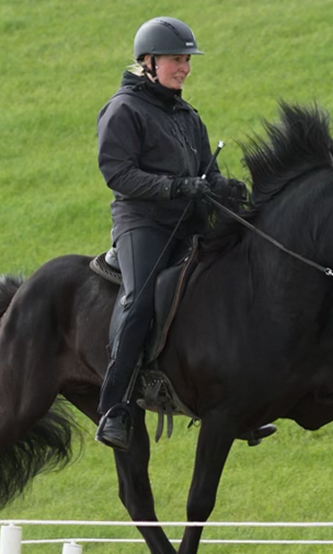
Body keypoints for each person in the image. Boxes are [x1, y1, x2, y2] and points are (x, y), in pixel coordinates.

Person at [95, 17, 266, 451]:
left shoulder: (187, 115)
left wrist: (223, 187)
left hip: (188, 220)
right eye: (177, 59)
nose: (185, 68)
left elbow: (206, 170)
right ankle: (114, 407)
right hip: (143, 223)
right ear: (148, 62)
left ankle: (237, 401)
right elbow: (118, 173)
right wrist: (173, 186)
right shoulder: (123, 110)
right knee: (140, 296)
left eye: (187, 60)